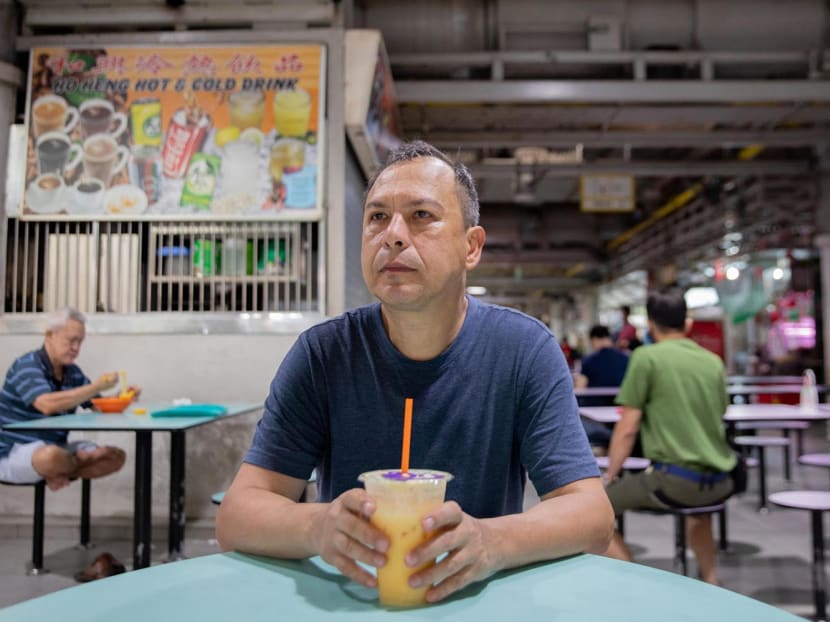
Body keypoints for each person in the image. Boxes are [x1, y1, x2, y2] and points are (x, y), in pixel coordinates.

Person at [217, 140, 614, 603]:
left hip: (479, 604)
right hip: (353, 603)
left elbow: (592, 515)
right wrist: (317, 525)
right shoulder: (324, 354)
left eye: (421, 215)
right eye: (377, 217)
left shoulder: (523, 350)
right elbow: (237, 514)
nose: (393, 235)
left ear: (471, 247)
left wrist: (491, 543)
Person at [601, 288, 736, 585]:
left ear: (650, 324)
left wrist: (611, 474)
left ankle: (639, 583)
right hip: (720, 480)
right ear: (686, 323)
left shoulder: (646, 357)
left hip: (675, 482)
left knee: (593, 512)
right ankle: (711, 582)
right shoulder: (711, 361)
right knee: (699, 516)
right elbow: (721, 411)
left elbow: (628, 428)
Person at [0, 307, 136, 492]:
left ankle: (58, 472)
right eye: (71, 340)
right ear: (50, 335)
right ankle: (65, 466)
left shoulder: (73, 373)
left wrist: (124, 398)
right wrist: (95, 386)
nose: (76, 349)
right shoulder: (26, 365)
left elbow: (98, 406)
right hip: (12, 452)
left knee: (115, 457)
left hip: (57, 449)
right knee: (49, 457)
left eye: (80, 342)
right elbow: (46, 404)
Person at [574, 324, 629, 448]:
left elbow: (579, 389)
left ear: (594, 339)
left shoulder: (589, 361)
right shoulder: (626, 359)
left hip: (594, 415)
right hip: (621, 412)